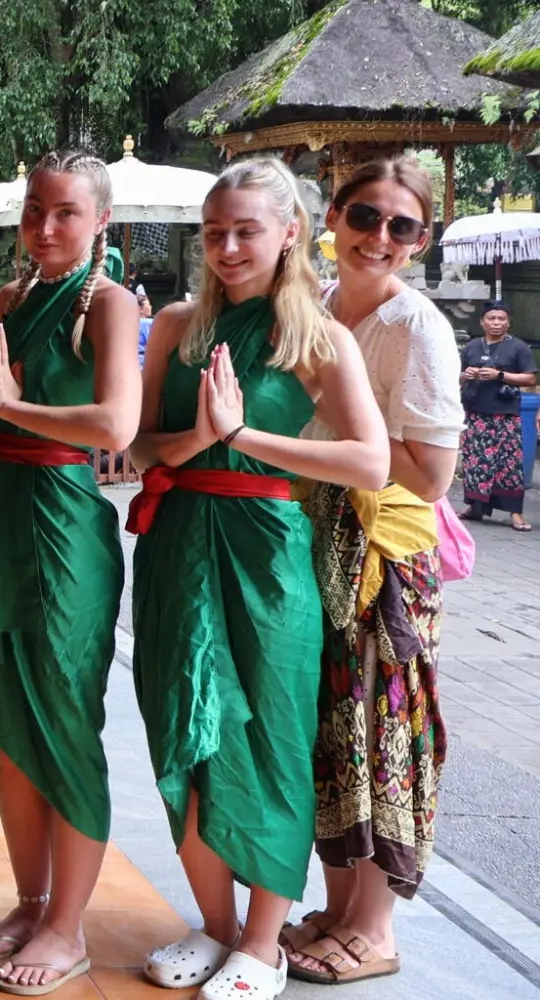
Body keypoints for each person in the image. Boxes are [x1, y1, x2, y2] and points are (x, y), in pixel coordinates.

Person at [129, 157, 388, 1000]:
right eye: (215, 232)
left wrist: (242, 438)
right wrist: (202, 441)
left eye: (247, 230)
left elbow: (371, 461)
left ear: (290, 233)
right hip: (176, 544)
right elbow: (138, 444)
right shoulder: (178, 325)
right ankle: (215, 926)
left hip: (268, 553)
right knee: (183, 730)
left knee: (271, 737)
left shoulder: (317, 337)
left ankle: (263, 942)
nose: (229, 247)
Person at [0, 149, 139, 994]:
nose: (47, 226)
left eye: (66, 212)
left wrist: (9, 405)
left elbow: (115, 424)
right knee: (8, 720)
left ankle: (69, 927)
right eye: (36, 210)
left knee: (63, 717)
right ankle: (31, 904)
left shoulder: (110, 303)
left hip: (63, 516)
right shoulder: (11, 298)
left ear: (101, 220)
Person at [285, 156, 465, 985]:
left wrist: (335, 407)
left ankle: (377, 928)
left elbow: (430, 476)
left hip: (383, 552)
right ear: (333, 217)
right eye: (364, 216)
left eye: (402, 225)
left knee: (380, 726)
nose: (379, 237)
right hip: (315, 535)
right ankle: (337, 908)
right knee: (332, 729)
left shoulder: (416, 325)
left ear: (420, 239)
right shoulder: (316, 306)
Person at [458, 301, 535, 529]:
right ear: (482, 322)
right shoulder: (472, 346)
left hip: (506, 415)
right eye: (491, 318)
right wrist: (465, 375)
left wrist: (499, 375)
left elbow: (530, 378)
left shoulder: (518, 347)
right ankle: (475, 507)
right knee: (475, 463)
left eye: (501, 319)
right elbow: (457, 377)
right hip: (476, 413)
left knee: (508, 465)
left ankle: (515, 513)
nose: (496, 323)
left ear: (508, 323)